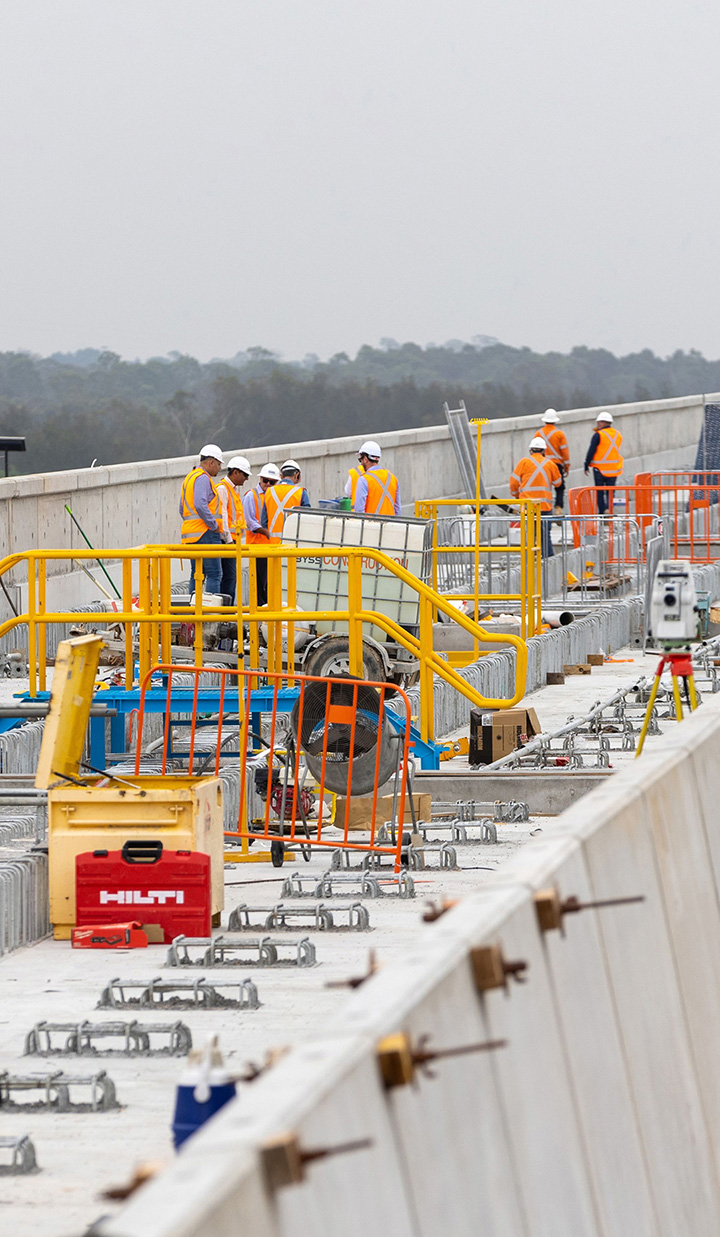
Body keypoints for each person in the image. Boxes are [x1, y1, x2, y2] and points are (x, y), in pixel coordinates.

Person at [179, 443, 224, 597]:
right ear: (210, 462)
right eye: (218, 464)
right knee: (214, 574)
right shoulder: (203, 479)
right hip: (206, 533)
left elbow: (182, 508)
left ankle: (194, 615)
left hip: (191, 534)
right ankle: (211, 616)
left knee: (197, 574)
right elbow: (200, 504)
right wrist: (213, 525)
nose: (219, 468)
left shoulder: (189, 478)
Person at [509, 437, 562, 557]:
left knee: (530, 536)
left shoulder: (523, 462)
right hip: (545, 507)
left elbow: (513, 483)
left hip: (528, 507)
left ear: (530, 450)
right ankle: (548, 563)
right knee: (545, 537)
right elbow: (558, 482)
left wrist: (516, 496)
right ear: (544, 451)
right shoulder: (550, 464)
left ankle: (531, 563)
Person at [242, 463, 280, 606]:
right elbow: (251, 523)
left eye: (272, 482)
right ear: (260, 480)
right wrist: (267, 533)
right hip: (257, 547)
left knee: (271, 584)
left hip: (272, 548)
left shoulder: (275, 497)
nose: (268, 484)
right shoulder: (251, 496)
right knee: (259, 585)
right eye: (265, 481)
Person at [216, 455, 251, 602]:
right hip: (226, 542)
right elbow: (222, 517)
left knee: (230, 578)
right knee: (228, 578)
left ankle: (227, 614)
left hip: (232, 541)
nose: (246, 479)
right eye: (245, 475)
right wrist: (229, 540)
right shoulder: (223, 489)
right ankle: (225, 614)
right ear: (235, 472)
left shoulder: (233, 489)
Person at [584, 412, 624, 515]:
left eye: (598, 422)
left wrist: (586, 464)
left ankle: (602, 513)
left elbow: (591, 450)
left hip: (600, 469)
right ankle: (608, 510)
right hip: (614, 468)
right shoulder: (617, 434)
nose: (597, 424)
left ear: (603, 422)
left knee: (600, 492)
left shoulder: (598, 435)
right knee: (611, 492)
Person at [263, 460, 311, 542]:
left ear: (281, 476)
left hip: (273, 546)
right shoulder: (301, 492)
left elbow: (264, 522)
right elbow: (307, 521)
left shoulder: (269, 492)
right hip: (293, 544)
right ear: (297, 475)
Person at [353, 441, 401, 515]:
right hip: (390, 525)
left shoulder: (364, 480)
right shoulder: (392, 477)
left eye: (360, 460)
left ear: (365, 459)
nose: (361, 463)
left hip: (371, 525)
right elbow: (397, 509)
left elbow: (359, 511)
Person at [538, 409, 570, 512]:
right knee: (559, 487)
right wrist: (567, 466)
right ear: (555, 421)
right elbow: (564, 452)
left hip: (542, 464)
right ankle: (558, 507)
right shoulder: (559, 434)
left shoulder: (538, 434)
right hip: (556, 464)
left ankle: (545, 509)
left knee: (544, 487)